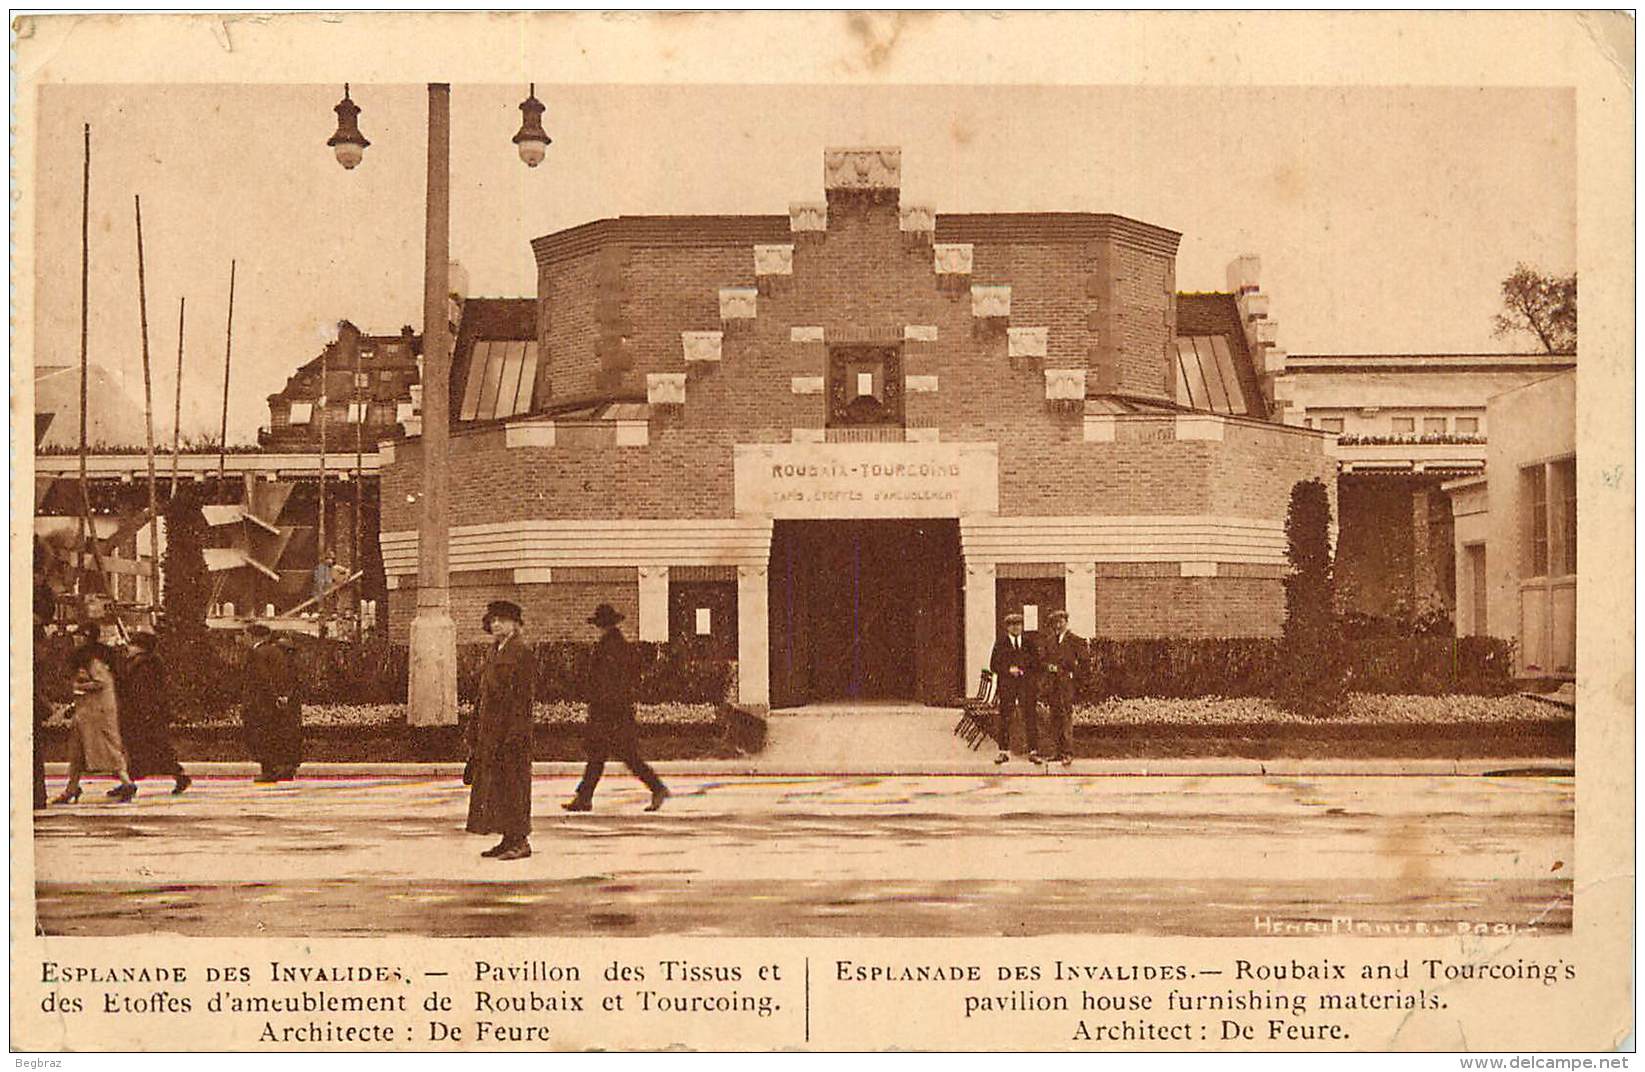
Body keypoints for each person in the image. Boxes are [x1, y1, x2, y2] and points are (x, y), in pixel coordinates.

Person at [563, 603, 669, 813]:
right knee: (601, 756)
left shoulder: (611, 646)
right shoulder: (615, 643)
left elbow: (609, 682)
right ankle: (584, 798)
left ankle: (657, 788)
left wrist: (597, 703)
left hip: (610, 713)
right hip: (613, 712)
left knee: (621, 756)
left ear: (603, 625)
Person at [465, 600, 536, 860]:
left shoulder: (521, 652)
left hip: (510, 733)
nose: (496, 624)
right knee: (497, 787)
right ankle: (507, 838)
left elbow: (522, 699)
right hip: (491, 732)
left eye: (502, 620)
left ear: (515, 624)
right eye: (493, 620)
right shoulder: (495, 651)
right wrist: (474, 730)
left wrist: (515, 734)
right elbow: (483, 695)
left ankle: (521, 840)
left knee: (514, 785)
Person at [54, 640, 138, 803]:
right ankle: (71, 788)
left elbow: (100, 683)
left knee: (107, 751)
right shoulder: (95, 665)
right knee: (78, 753)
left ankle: (126, 782)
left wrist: (78, 686)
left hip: (96, 718)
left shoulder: (94, 665)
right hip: (87, 717)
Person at [118, 632, 191, 794]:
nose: (128, 647)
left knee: (151, 748)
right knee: (145, 749)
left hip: (144, 715)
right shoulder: (143, 663)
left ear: (140, 648)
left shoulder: (143, 666)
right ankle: (128, 782)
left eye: (132, 644)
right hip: (148, 714)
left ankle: (129, 782)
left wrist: (142, 713)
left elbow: (142, 693)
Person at [240, 623, 303, 782]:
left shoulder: (257, 653)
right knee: (279, 735)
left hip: (261, 703)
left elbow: (263, 678)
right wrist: (283, 696)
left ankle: (268, 771)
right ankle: (285, 769)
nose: (243, 639)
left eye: (245, 635)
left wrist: (273, 696)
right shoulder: (278, 651)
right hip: (278, 702)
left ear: (254, 636)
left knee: (262, 736)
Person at [989, 611, 1041, 765]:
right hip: (1007, 687)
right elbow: (994, 665)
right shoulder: (1000, 643)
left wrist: (1024, 670)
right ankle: (1003, 752)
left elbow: (1036, 663)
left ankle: (1033, 751)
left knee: (1030, 717)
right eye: (1012, 625)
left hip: (1026, 686)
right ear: (1007, 628)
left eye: (1018, 625)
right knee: (1005, 718)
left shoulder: (1029, 643)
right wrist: (1008, 670)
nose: (1016, 628)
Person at [1037, 608, 1086, 766]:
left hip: (1066, 685)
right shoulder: (1050, 640)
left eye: (1061, 621)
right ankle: (1058, 751)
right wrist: (1048, 667)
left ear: (1066, 622)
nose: (1058, 625)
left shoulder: (1075, 640)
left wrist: (1071, 673)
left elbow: (1084, 663)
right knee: (1055, 717)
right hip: (1053, 685)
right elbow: (1042, 659)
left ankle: (1068, 753)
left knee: (1066, 717)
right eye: (1055, 623)